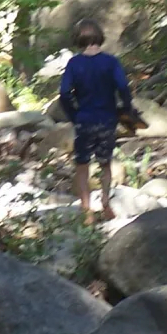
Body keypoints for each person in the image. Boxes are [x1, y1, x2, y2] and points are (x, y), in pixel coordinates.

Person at [59, 17, 134, 223]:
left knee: (82, 166)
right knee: (105, 164)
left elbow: (65, 93)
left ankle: (86, 212)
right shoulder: (111, 62)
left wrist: (74, 115)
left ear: (78, 39)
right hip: (107, 119)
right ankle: (105, 203)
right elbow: (123, 88)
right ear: (99, 38)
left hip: (84, 120)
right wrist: (127, 109)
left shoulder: (74, 64)